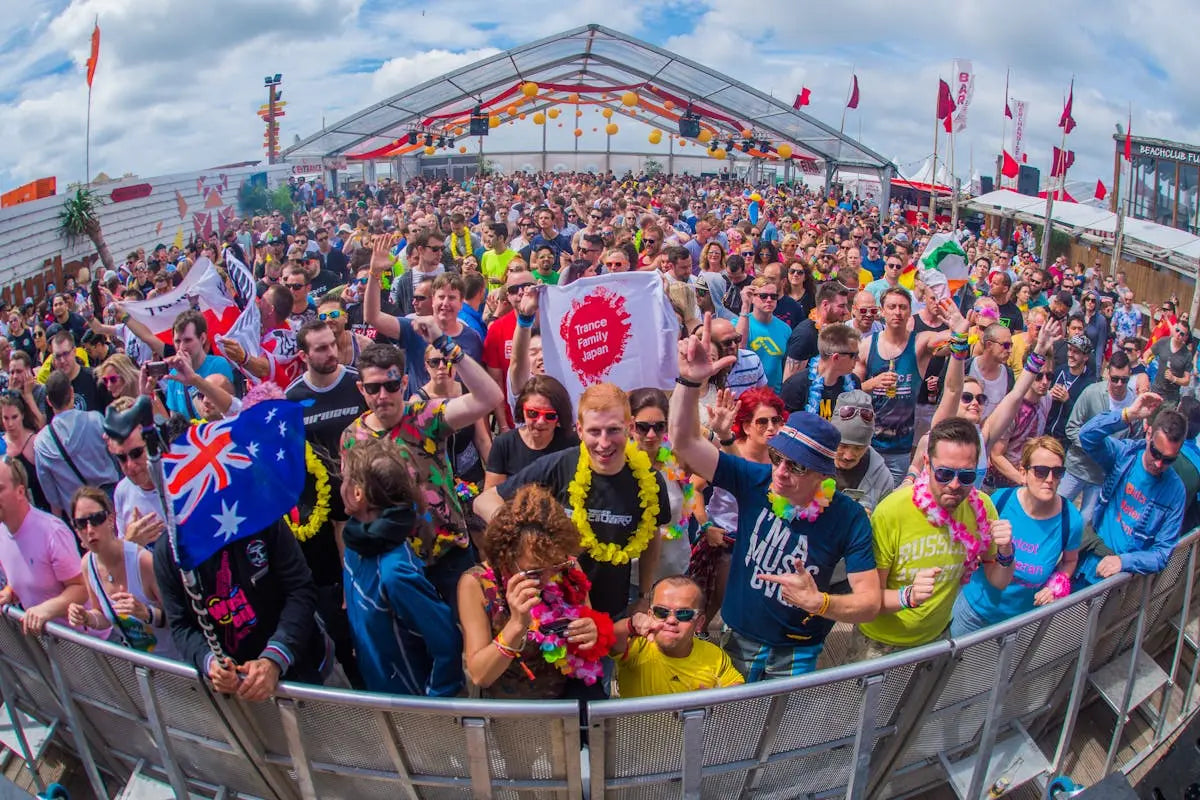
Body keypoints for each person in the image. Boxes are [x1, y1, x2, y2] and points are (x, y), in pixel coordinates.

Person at [669, 319, 881, 679]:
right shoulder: (757, 480)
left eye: (795, 466)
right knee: (733, 711)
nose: (779, 472)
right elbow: (685, 443)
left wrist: (820, 602)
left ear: (823, 476)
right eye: (778, 458)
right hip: (739, 637)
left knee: (784, 718)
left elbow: (870, 602)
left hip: (798, 648)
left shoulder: (848, 518)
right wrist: (689, 383)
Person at [475, 383, 670, 618]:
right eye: (594, 431)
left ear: (629, 428)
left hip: (614, 606)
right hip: (555, 606)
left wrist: (645, 595)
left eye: (613, 430)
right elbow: (484, 500)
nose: (604, 443)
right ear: (579, 430)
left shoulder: (649, 481)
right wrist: (522, 533)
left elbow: (651, 538)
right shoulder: (559, 465)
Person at [341, 337, 502, 609]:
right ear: (361, 388)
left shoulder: (425, 415)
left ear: (404, 383)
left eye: (391, 385)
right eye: (373, 387)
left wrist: (447, 346)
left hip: (449, 554)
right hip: (395, 562)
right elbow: (353, 504)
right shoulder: (351, 437)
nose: (382, 395)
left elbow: (490, 397)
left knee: (471, 628)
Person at [850, 418, 1014, 660]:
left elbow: (998, 581)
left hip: (937, 638)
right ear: (927, 464)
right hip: (880, 644)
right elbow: (868, 599)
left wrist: (1006, 551)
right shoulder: (892, 512)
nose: (954, 484)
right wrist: (909, 596)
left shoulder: (982, 508)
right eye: (944, 473)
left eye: (966, 476)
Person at [458, 485, 608, 699]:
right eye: (534, 572)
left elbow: (589, 627)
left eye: (554, 566)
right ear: (506, 556)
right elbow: (480, 675)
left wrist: (592, 632)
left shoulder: (568, 567)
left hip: (566, 703)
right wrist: (516, 625)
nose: (547, 578)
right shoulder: (476, 584)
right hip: (512, 709)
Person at [339, 438, 463, 695]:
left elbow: (446, 642)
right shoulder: (354, 545)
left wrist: (433, 703)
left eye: (345, 479)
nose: (340, 487)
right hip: (378, 692)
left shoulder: (394, 573)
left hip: (409, 704)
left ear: (358, 494)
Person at [950, 437, 1082, 636]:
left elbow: (1070, 561)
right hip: (974, 611)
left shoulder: (1070, 519)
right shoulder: (1000, 500)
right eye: (1041, 471)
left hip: (1018, 623)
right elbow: (974, 542)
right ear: (1023, 472)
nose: (1049, 479)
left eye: (1057, 472)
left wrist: (1057, 584)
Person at [1073, 392, 1187, 586]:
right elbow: (1087, 436)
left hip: (1120, 583)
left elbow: (1162, 553)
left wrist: (1124, 562)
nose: (1159, 464)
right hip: (1086, 562)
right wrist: (1127, 415)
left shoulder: (1175, 492)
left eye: (1168, 460)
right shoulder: (1125, 456)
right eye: (1156, 453)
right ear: (1148, 434)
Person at [64, 487, 180, 658]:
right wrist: (86, 617)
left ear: (111, 520)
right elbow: (103, 616)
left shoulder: (143, 562)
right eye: (81, 524)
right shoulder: (88, 565)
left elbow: (178, 619)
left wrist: (146, 613)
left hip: (175, 663)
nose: (90, 530)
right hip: (140, 665)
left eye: (96, 519)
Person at [613, 575, 744, 697]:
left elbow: (737, 690)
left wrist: (714, 699)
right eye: (661, 612)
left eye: (684, 614)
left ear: (699, 623)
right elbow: (609, 639)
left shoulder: (714, 656)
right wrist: (630, 624)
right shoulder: (638, 647)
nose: (671, 620)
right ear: (650, 614)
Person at [0, 459, 87, 635]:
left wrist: (46, 609)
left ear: (20, 492)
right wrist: (10, 592)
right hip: (48, 643)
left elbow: (82, 588)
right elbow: (25, 576)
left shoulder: (52, 532)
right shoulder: (2, 533)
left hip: (86, 641)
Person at [1060, 351, 1137, 522]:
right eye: (1115, 379)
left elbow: (1134, 443)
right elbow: (1071, 427)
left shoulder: (1134, 404)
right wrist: (1093, 447)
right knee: (1056, 509)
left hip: (1102, 475)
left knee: (1086, 521)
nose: (1119, 384)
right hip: (1078, 466)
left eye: (1124, 380)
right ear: (1107, 373)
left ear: (1130, 376)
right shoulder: (1092, 392)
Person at [34, 371, 121, 517]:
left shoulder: (42, 442)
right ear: (72, 392)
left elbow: (51, 493)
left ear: (48, 401)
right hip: (110, 500)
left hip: (79, 513)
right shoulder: (96, 420)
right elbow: (116, 457)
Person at [485, 374, 578, 488]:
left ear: (560, 415)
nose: (540, 421)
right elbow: (491, 494)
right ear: (522, 409)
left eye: (549, 415)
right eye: (533, 413)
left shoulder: (572, 443)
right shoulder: (504, 444)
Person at [829, 390, 894, 513]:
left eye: (858, 448)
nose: (848, 456)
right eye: (843, 446)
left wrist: (869, 520)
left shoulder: (882, 478)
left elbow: (885, 519)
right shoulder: (810, 465)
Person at [779, 323, 861, 419]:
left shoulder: (854, 383)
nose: (858, 359)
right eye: (854, 355)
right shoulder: (795, 386)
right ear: (836, 358)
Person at [736, 276, 791, 392]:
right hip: (746, 395)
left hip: (774, 395)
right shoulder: (739, 323)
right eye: (763, 296)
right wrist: (745, 305)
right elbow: (739, 348)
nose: (769, 300)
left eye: (773, 296)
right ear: (752, 297)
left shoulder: (785, 329)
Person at [783, 282, 849, 377]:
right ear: (825, 304)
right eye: (841, 306)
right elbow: (789, 381)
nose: (846, 311)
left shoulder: (835, 330)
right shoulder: (805, 335)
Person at [0, 391, 48, 512]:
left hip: (42, 509)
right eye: (6, 418)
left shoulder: (36, 442)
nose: (10, 424)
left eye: (14, 417)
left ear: (22, 415)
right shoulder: (1, 446)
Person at [1148, 320, 1193, 406]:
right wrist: (1145, 362)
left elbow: (1187, 380)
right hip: (1155, 391)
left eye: (1182, 334)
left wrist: (1174, 379)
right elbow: (1148, 353)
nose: (1178, 334)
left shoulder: (1187, 355)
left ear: (1186, 337)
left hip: (1171, 398)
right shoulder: (1163, 341)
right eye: (1177, 330)